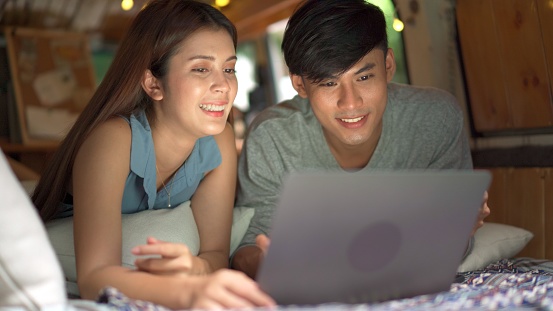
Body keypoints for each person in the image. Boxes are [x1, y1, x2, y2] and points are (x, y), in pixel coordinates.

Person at [30, 0, 275, 309]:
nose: (224, 85)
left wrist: (193, 269)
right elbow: (94, 279)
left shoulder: (220, 139)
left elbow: (214, 253)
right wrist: (187, 293)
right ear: (153, 83)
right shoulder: (113, 140)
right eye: (201, 69)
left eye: (229, 68)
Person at [231, 0, 490, 279]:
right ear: (300, 85)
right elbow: (247, 250)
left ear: (388, 66)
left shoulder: (434, 119)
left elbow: (454, 240)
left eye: (364, 76)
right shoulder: (273, 138)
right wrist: (275, 263)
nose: (351, 103)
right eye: (329, 83)